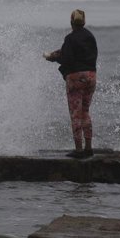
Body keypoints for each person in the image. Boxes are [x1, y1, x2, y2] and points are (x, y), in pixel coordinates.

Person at [44, 9, 98, 158]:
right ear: (84, 22)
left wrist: (53, 58)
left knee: (75, 114)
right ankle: (89, 148)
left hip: (76, 78)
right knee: (85, 112)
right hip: (91, 76)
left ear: (71, 22)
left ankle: (79, 150)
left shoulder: (70, 38)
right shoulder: (90, 36)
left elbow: (67, 59)